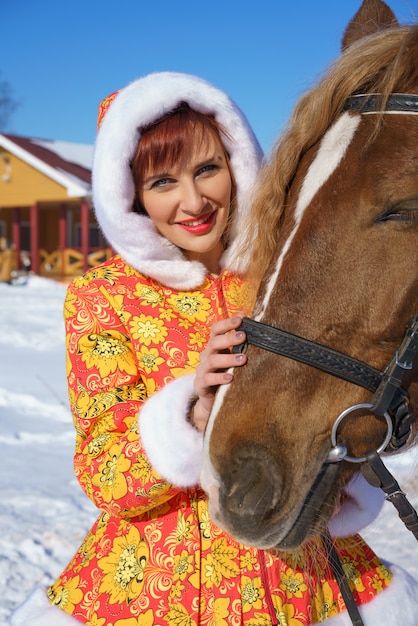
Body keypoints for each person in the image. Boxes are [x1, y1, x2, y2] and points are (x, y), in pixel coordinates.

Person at [11, 71, 415, 626]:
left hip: (303, 575)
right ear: (131, 196)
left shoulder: (277, 268)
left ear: (236, 165)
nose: (193, 200)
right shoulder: (104, 297)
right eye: (162, 183)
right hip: (159, 587)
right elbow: (103, 471)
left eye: (207, 169)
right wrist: (193, 411)